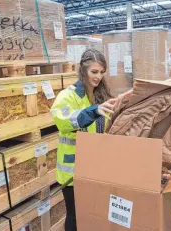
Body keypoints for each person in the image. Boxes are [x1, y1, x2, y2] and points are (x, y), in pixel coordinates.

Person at [50, 49, 117, 231]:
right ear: (83, 70)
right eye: (94, 72)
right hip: (72, 171)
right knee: (75, 216)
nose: (98, 77)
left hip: (94, 168)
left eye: (102, 72)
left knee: (92, 213)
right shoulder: (68, 96)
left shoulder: (100, 95)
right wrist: (93, 111)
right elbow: (64, 120)